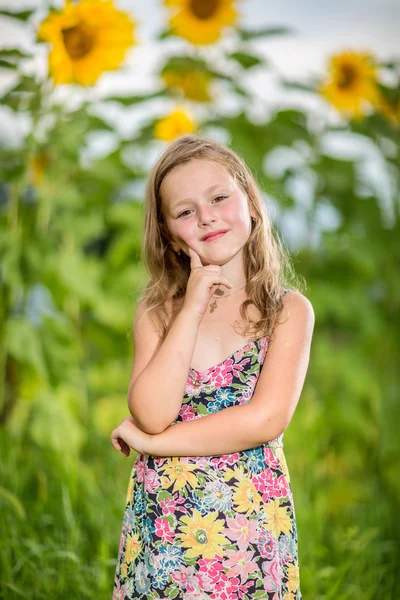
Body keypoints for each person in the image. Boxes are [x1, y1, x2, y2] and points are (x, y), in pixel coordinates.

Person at [110, 134, 315, 599]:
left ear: (252, 203)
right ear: (168, 235)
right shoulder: (159, 313)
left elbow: (265, 419)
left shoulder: (287, 311)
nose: (205, 216)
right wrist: (192, 309)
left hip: (248, 525)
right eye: (184, 211)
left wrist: (150, 444)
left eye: (219, 197)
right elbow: (152, 411)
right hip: (167, 520)